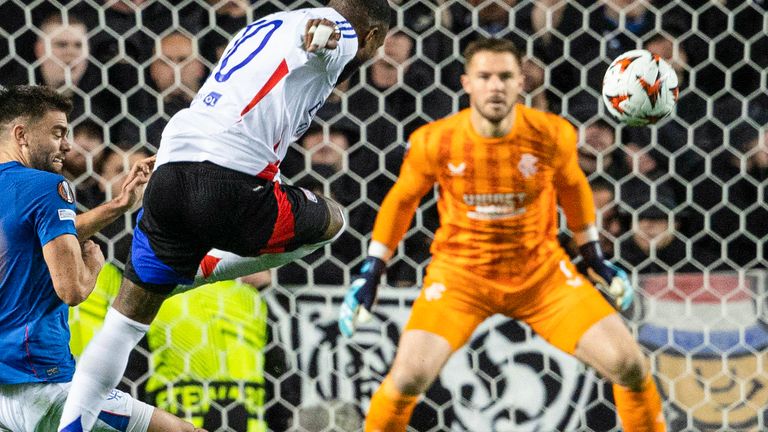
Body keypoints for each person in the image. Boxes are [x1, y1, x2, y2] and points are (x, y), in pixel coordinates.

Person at [58, 1, 392, 430]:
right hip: (231, 184)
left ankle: (72, 426)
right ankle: (208, 270)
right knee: (332, 221)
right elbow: (326, 34)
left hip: (172, 169)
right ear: (375, 37)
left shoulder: (269, 23)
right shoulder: (344, 33)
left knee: (124, 322)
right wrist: (325, 36)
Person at [337, 38, 666, 432]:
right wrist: (372, 270)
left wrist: (594, 257)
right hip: (461, 278)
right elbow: (402, 200)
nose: (495, 86)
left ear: (520, 83)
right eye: (485, 76)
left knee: (628, 365)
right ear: (467, 83)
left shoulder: (551, 134)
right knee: (407, 377)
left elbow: (575, 189)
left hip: (541, 277)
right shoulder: (436, 140)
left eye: (505, 76)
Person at [0, 85, 202, 431]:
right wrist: (93, 266)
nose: (67, 144)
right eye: (58, 133)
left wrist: (118, 205)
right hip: (45, 385)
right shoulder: (47, 187)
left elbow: (35, 238)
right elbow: (72, 290)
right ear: (22, 134)